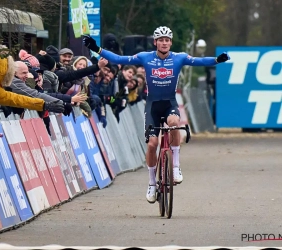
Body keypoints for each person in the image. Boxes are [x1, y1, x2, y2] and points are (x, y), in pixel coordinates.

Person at [83, 26, 230, 203]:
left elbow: (200, 61)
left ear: (171, 42)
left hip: (169, 103)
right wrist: (96, 48)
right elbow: (118, 58)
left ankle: (175, 166)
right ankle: (152, 183)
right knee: (152, 144)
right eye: (161, 40)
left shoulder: (179, 57)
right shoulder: (146, 57)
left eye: (167, 40)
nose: (164, 42)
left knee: (175, 122)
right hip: (152, 106)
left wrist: (217, 60)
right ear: (155, 42)